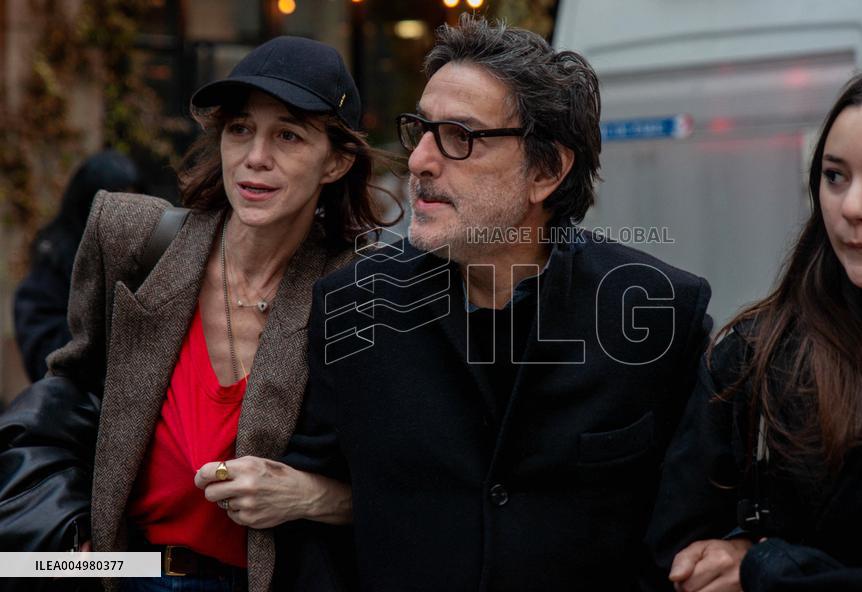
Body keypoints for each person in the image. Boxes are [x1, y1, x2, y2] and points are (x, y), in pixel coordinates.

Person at [280, 15, 712, 591]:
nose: (419, 162)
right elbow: (314, 532)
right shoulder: (353, 306)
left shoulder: (659, 311)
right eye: (421, 130)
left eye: (460, 136)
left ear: (548, 171)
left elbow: (689, 536)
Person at [36, 36, 395, 591]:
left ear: (336, 161)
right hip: (124, 570)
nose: (255, 157)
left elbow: (412, 483)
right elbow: (68, 399)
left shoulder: (363, 291)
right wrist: (69, 545)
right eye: (240, 129)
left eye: (289, 135)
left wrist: (309, 495)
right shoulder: (134, 239)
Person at [647, 61, 862, 591]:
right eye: (835, 176)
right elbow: (675, 559)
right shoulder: (754, 359)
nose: (851, 207)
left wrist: (769, 568)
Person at [14, 149, 141, 382]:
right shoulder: (52, 268)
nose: (124, 222)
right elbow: (45, 358)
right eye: (114, 208)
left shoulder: (146, 259)